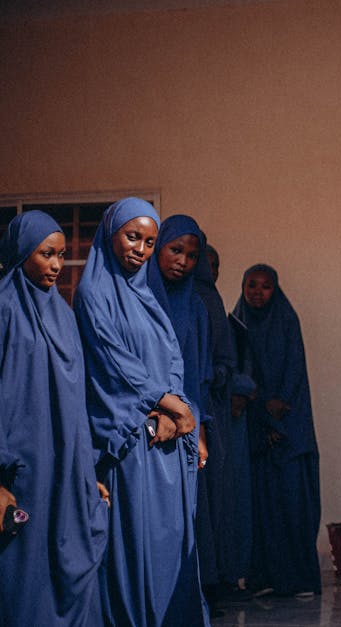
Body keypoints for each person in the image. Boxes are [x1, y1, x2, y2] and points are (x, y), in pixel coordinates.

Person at [73, 197, 208, 626]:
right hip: (129, 437)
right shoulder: (94, 293)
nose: (141, 249)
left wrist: (175, 410)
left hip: (164, 433)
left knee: (170, 542)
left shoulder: (145, 294)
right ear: (111, 233)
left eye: (150, 242)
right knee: (138, 544)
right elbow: (114, 362)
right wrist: (168, 406)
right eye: (133, 237)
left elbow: (172, 356)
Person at [0, 211, 109, 626]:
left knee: (71, 559)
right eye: (46, 254)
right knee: (24, 571)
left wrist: (86, 468)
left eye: (61, 255)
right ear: (21, 253)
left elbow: (75, 398)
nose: (57, 265)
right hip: (23, 467)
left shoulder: (62, 314)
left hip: (65, 462)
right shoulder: (5, 309)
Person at [230, 263, 322, 596]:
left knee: (293, 505)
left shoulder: (286, 321)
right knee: (259, 508)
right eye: (250, 285)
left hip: (289, 429)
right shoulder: (236, 325)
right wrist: (262, 418)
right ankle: (263, 578)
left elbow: (294, 376)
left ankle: (298, 580)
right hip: (254, 433)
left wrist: (277, 418)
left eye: (265, 286)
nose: (257, 292)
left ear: (276, 289)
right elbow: (236, 378)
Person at [145, 215, 218, 613]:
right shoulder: (140, 298)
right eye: (175, 250)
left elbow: (199, 374)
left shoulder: (197, 307)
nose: (183, 262)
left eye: (192, 255)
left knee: (180, 524)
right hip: (145, 425)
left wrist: (200, 429)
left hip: (186, 427)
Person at [194, 241, 250, 599]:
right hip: (184, 411)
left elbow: (226, 358)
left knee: (219, 494)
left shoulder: (211, 301)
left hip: (213, 409)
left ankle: (217, 579)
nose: (209, 270)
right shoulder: (177, 295)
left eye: (216, 264)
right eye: (205, 262)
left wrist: (218, 375)